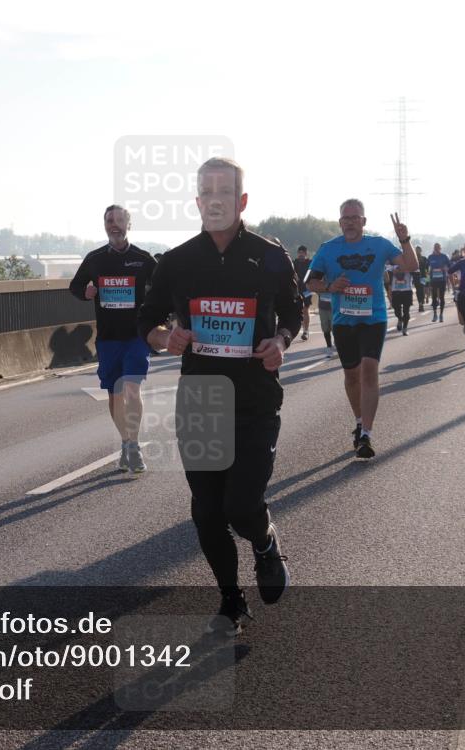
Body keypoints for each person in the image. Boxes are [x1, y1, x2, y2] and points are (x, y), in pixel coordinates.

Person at [138, 157, 301, 635]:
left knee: (241, 506)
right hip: (202, 399)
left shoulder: (271, 257)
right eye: (205, 191)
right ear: (197, 201)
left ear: (241, 200)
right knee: (207, 510)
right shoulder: (179, 260)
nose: (214, 198)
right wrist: (162, 336)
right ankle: (231, 601)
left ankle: (265, 542)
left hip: (254, 400)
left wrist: (281, 342)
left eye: (224, 191)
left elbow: (294, 311)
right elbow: (146, 317)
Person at [306, 200, 418, 458]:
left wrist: (405, 239)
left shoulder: (379, 245)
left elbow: (410, 266)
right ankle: (358, 421)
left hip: (373, 318)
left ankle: (366, 434)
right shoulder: (328, 249)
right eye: (345, 218)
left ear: (364, 221)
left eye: (355, 217)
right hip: (343, 321)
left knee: (369, 370)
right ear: (340, 222)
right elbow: (311, 282)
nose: (350, 222)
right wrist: (330, 286)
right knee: (351, 376)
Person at [71, 206, 157, 473]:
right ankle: (126, 441)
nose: (114, 225)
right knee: (115, 394)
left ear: (128, 225)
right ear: (105, 225)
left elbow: (163, 287)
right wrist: (86, 292)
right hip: (108, 338)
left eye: (120, 220)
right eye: (110, 220)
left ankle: (134, 447)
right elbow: (75, 287)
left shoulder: (143, 259)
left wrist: (160, 316)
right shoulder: (95, 259)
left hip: (135, 336)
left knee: (131, 388)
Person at [292, 245, 312, 340]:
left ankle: (306, 331)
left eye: (302, 253)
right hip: (295, 289)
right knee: (295, 311)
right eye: (299, 253)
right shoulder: (293, 263)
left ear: (306, 253)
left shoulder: (310, 263)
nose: (301, 255)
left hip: (307, 290)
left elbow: (315, 274)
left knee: (305, 309)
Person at [426, 243, 450, 322]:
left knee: (442, 297)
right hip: (433, 280)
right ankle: (435, 314)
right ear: (434, 248)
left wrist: (445, 268)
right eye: (435, 247)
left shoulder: (444, 256)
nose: (436, 249)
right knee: (434, 297)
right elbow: (426, 268)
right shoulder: (430, 257)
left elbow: (449, 266)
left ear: (440, 248)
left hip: (442, 280)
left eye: (438, 247)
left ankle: (441, 315)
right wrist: (428, 276)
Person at [388, 264, 414, 335]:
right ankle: (400, 319)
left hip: (407, 291)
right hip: (396, 291)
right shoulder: (392, 265)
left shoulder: (409, 264)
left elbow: (416, 269)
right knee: (396, 310)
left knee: (406, 311)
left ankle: (405, 328)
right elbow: (387, 271)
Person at [413, 245, 428, 312]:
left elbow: (427, 268)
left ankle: (422, 301)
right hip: (416, 276)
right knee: (418, 290)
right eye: (416, 250)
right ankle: (420, 303)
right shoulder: (413, 258)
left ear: (421, 251)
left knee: (422, 289)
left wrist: (428, 276)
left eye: (419, 250)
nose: (417, 251)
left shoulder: (424, 258)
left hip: (423, 276)